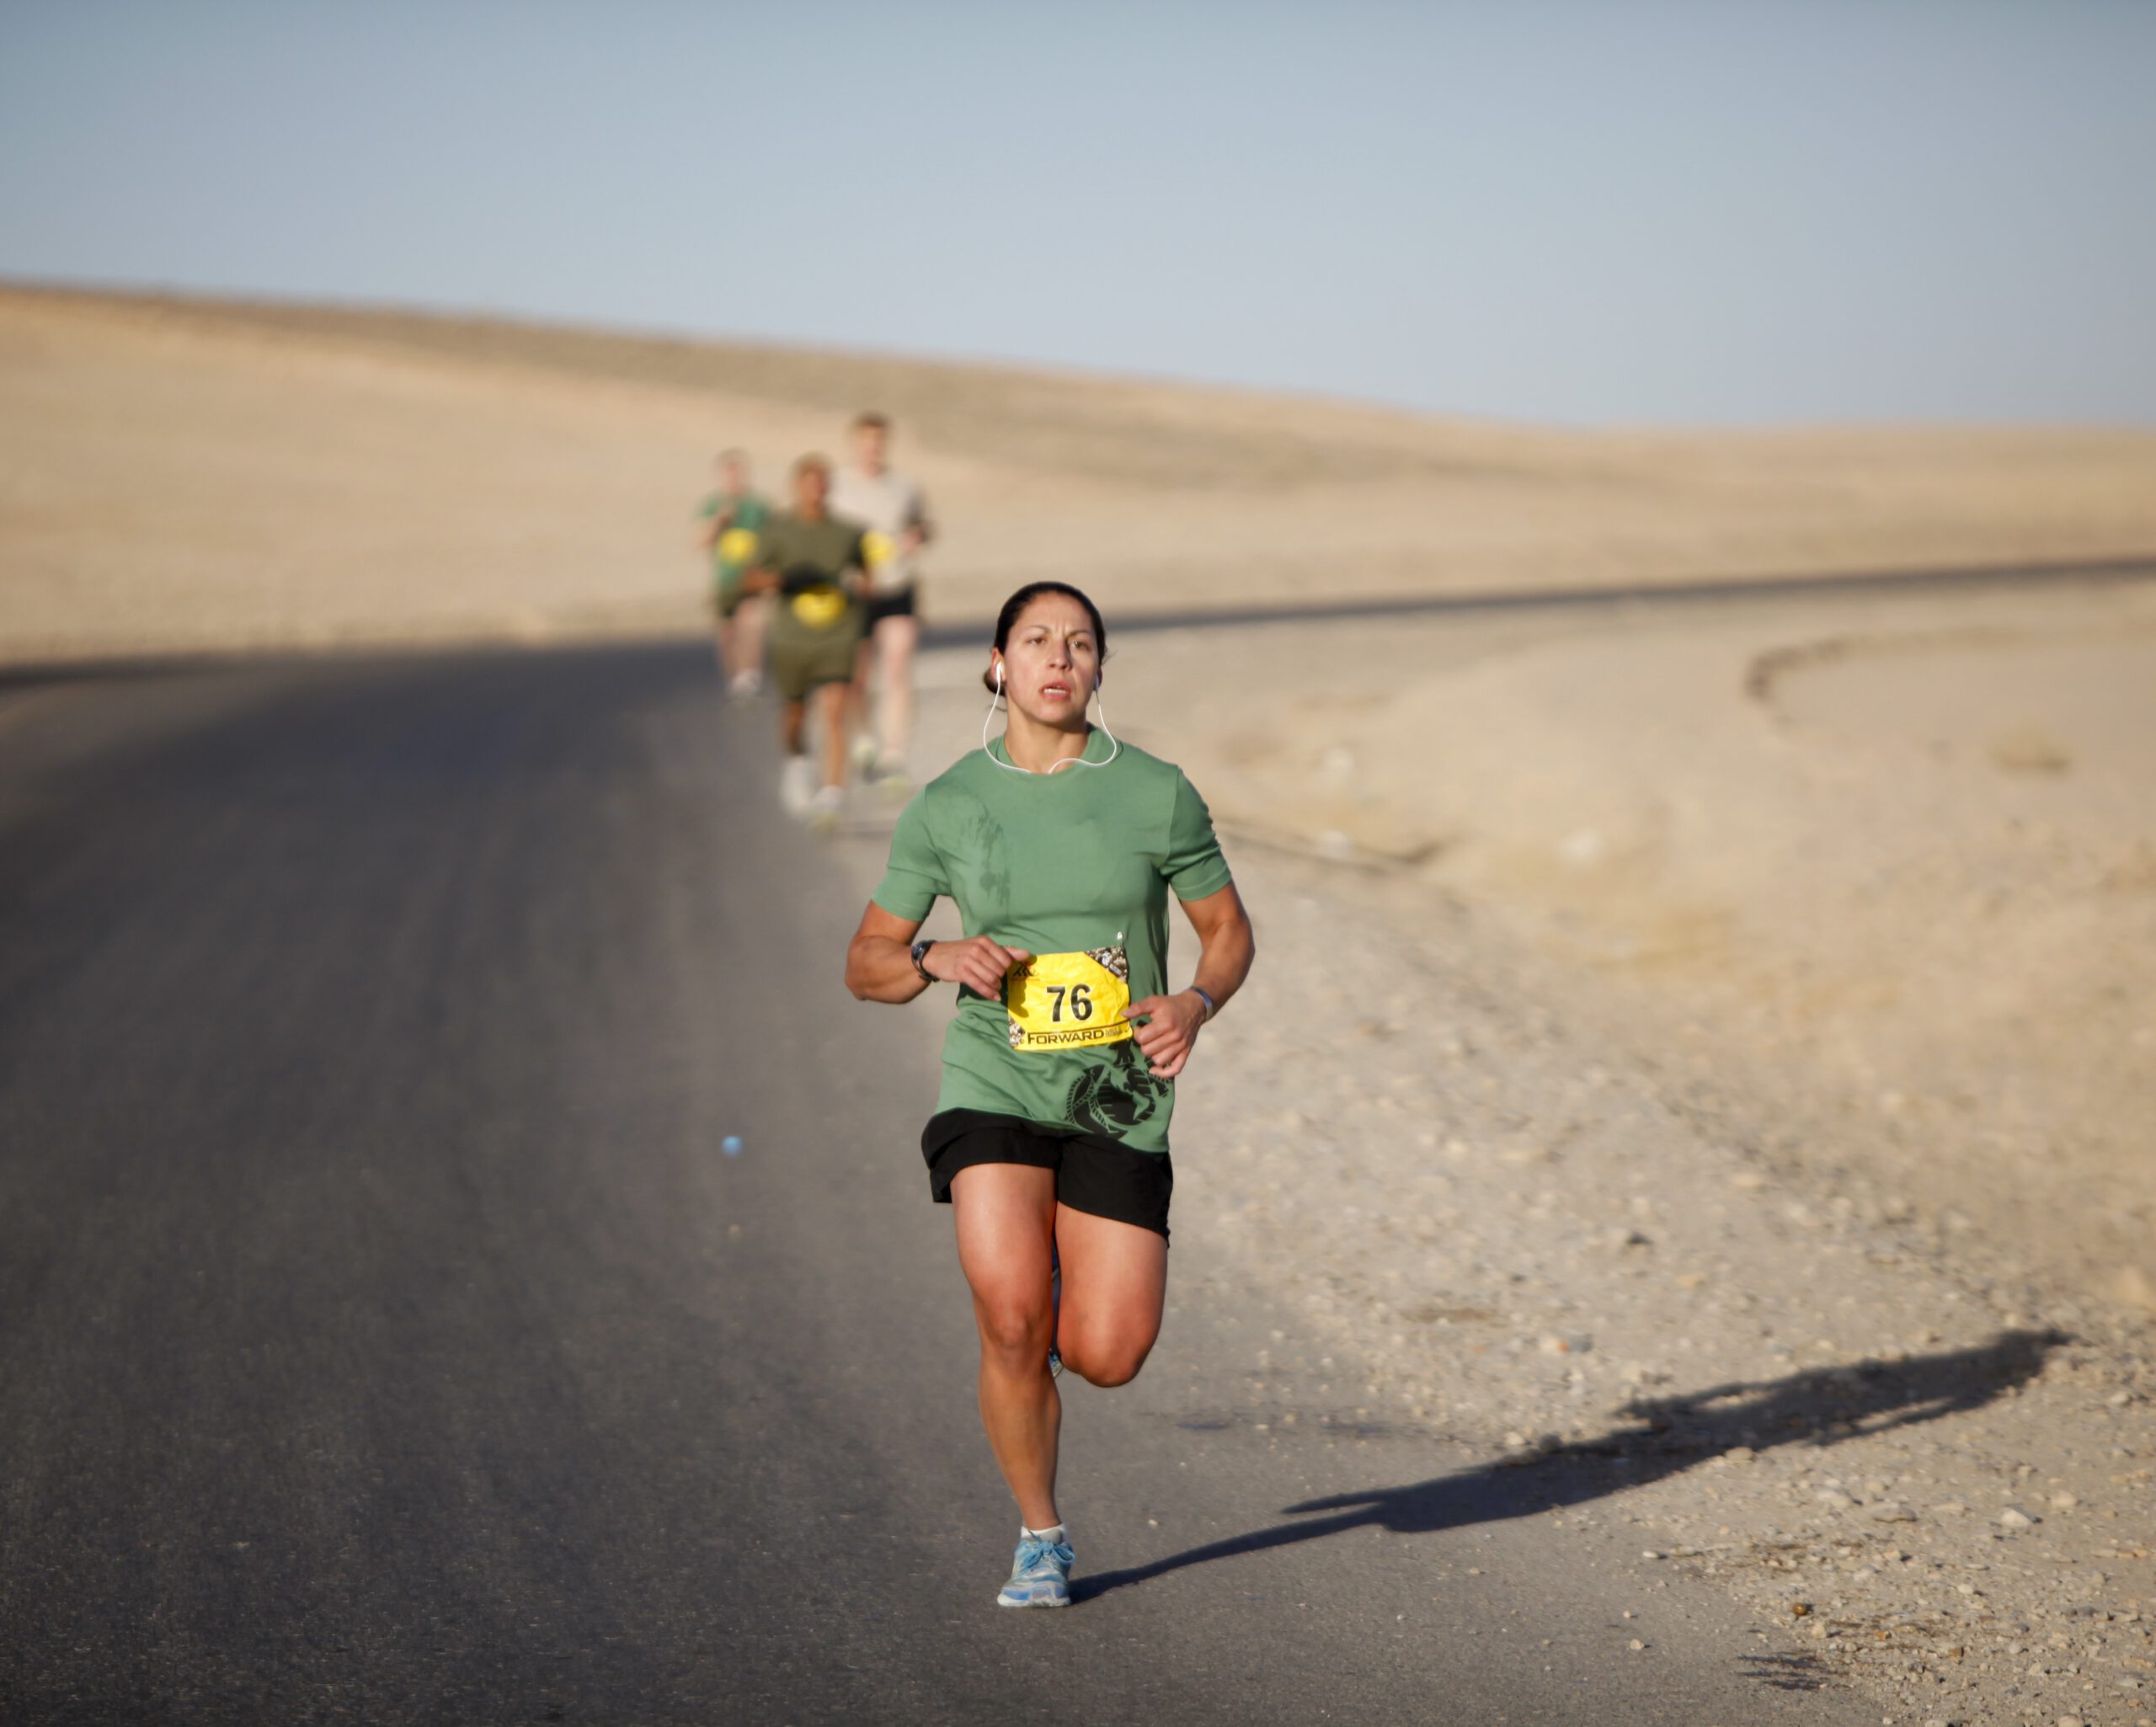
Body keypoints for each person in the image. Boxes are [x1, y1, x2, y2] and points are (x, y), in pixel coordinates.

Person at [843, 581, 1256, 1608]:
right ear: (998, 664)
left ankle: (1059, 1295)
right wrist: (938, 956)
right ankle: (1040, 1534)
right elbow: (866, 962)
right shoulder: (948, 803)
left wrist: (1197, 1001)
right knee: (1011, 1314)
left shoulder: (1155, 791)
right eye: (1035, 640)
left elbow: (1230, 931)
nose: (1057, 657)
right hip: (993, 1079)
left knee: (1107, 1354)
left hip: (1118, 1092)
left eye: (1078, 642)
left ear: (1100, 670)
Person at [742, 456, 869, 830]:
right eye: (809, 482)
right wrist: (781, 580)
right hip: (792, 636)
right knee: (795, 713)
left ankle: (832, 794)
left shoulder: (847, 532)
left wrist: (861, 587)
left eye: (822, 482)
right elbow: (749, 579)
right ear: (796, 486)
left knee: (833, 709)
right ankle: (797, 762)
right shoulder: (777, 529)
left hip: (838, 631)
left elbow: (867, 577)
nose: (816, 490)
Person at [830, 412, 933, 791]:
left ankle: (894, 754)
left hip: (897, 586)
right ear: (855, 444)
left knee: (897, 667)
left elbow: (924, 525)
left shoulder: (904, 487)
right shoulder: (838, 487)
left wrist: (916, 537)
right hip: (855, 593)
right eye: (866, 442)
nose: (872, 449)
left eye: (878, 442)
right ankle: (864, 738)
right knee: (857, 676)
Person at [693, 450, 771, 699]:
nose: (734, 478)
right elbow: (701, 542)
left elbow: (774, 540)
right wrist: (720, 520)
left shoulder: (758, 506)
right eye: (729, 473)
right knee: (727, 633)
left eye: (738, 472)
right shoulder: (713, 505)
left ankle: (751, 674)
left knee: (753, 624)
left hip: (752, 577)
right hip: (724, 578)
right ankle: (735, 678)